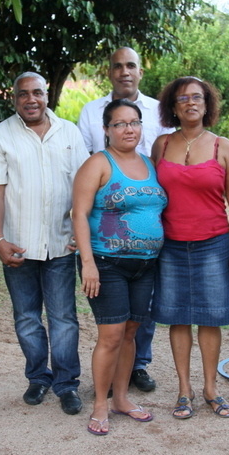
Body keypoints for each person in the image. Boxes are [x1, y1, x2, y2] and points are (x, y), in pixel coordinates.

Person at [0, 72, 89, 415]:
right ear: (14, 99)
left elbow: (86, 186)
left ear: (46, 95)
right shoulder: (0, 136)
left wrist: (79, 232)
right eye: (23, 94)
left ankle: (67, 383)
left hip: (60, 245)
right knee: (26, 318)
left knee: (64, 319)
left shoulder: (69, 133)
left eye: (37, 93)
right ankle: (39, 377)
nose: (31, 99)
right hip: (18, 247)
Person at [150, 76, 229, 419]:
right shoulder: (161, 145)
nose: (190, 103)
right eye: (182, 99)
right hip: (170, 246)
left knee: (210, 318)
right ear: (173, 108)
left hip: (213, 244)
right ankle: (184, 390)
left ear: (207, 105)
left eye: (197, 98)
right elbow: (150, 194)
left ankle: (210, 389)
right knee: (178, 318)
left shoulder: (223, 146)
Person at [77, 46, 172, 392]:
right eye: (117, 66)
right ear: (107, 127)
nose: (124, 71)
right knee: (113, 330)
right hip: (107, 243)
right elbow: (84, 179)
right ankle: (104, 397)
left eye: (131, 65)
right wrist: (86, 251)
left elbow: (166, 168)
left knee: (135, 326)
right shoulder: (90, 115)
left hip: (146, 254)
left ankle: (134, 373)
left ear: (140, 71)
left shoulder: (159, 116)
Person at [72, 99, 167, 436]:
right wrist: (88, 264)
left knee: (131, 333)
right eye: (120, 124)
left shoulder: (151, 163)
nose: (129, 129)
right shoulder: (98, 163)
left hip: (146, 265)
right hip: (106, 263)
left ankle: (122, 399)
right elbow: (79, 214)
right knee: (111, 335)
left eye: (135, 122)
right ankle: (100, 403)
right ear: (106, 130)